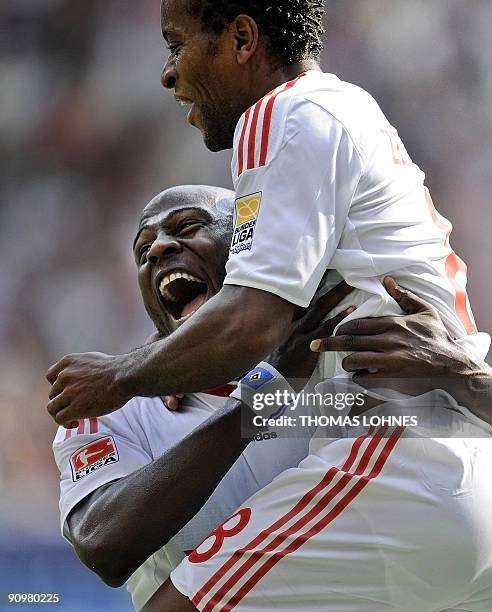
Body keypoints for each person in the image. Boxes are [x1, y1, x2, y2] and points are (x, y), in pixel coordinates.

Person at [46, 1, 492, 610]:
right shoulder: (302, 376)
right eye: (142, 251)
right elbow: (105, 544)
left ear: (242, 38)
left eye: (176, 44)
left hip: (402, 463)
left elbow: (250, 323)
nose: (167, 73)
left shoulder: (280, 115)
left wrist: (120, 378)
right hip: (451, 483)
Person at [53, 185, 354, 610]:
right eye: (143, 251)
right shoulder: (111, 405)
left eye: (188, 226)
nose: (157, 249)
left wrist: (463, 372)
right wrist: (266, 392)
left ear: (249, 249)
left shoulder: (333, 347)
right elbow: (105, 544)